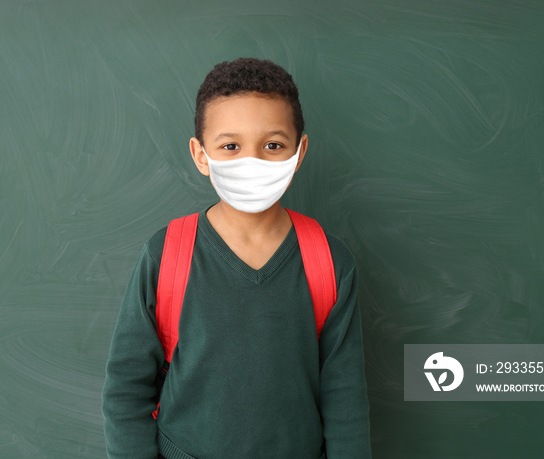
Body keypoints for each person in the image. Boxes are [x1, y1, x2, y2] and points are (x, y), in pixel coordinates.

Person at [102, 57, 371, 458]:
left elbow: (345, 398)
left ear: (299, 152)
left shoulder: (329, 262)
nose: (252, 162)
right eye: (230, 146)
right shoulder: (168, 254)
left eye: (273, 145)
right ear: (200, 155)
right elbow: (126, 387)